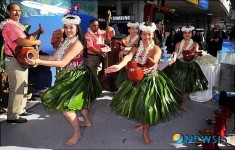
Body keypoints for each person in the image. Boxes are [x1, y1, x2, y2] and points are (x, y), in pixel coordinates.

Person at [25, 14, 102, 145]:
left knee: (67, 109)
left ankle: (77, 134)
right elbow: (54, 58)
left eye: (71, 27)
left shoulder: (77, 44)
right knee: (80, 103)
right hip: (68, 76)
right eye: (66, 27)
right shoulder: (66, 41)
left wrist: (38, 61)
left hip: (77, 77)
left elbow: (62, 63)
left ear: (77, 28)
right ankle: (87, 121)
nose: (68, 30)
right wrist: (37, 58)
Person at [105, 22, 183, 145]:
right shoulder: (136, 47)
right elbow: (128, 57)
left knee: (148, 107)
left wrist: (148, 62)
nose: (147, 37)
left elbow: (154, 60)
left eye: (149, 34)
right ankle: (143, 123)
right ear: (141, 35)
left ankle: (145, 133)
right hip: (136, 79)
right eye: (144, 34)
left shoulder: (156, 49)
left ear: (153, 35)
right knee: (139, 105)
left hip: (150, 82)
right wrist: (118, 66)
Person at [0, 3, 43, 123]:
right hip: (13, 60)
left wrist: (37, 32)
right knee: (16, 88)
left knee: (23, 85)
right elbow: (21, 42)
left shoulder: (17, 26)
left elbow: (27, 38)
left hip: (20, 59)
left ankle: (21, 109)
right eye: (14, 10)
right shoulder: (9, 25)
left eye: (19, 10)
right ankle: (13, 116)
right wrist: (38, 42)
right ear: (8, 12)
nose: (17, 13)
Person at [162, 25, 208, 112]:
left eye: (189, 33)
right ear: (182, 34)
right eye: (185, 33)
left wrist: (196, 54)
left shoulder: (195, 44)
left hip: (190, 67)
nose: (187, 35)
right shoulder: (178, 43)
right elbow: (175, 53)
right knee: (174, 85)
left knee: (187, 88)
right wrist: (173, 59)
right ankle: (171, 102)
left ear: (192, 34)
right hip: (178, 64)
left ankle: (181, 104)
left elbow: (197, 55)